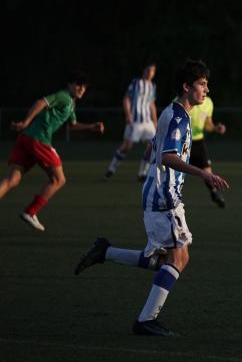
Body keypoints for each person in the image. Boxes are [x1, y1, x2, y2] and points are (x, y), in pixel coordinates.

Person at [74, 59, 229, 337]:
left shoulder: (173, 112)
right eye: (202, 84)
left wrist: (153, 153)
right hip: (163, 197)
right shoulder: (179, 116)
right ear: (186, 86)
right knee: (178, 259)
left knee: (169, 260)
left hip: (161, 194)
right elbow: (167, 157)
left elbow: (154, 151)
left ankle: (105, 252)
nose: (206, 89)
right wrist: (203, 174)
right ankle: (146, 320)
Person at [0, 72, 104, 232]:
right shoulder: (63, 96)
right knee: (59, 180)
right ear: (69, 84)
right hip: (38, 139)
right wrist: (26, 122)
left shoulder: (71, 104)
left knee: (12, 179)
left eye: (84, 86)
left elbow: (73, 125)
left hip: (26, 139)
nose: (81, 88)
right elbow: (41, 102)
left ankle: (30, 211)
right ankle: (30, 211)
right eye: (78, 84)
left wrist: (91, 127)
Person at [104, 62, 158, 181]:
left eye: (153, 71)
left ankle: (142, 173)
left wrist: (155, 121)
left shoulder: (152, 86)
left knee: (153, 146)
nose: (150, 73)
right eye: (149, 70)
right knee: (127, 146)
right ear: (144, 71)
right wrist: (128, 114)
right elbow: (126, 99)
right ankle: (111, 169)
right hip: (135, 121)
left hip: (147, 122)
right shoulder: (136, 83)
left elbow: (152, 104)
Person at [188, 95, 227, 207]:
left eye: (206, 84)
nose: (206, 89)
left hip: (198, 142)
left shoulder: (208, 102)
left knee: (207, 172)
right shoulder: (182, 99)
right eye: (202, 84)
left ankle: (214, 193)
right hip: (181, 140)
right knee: (174, 171)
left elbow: (208, 125)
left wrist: (216, 128)